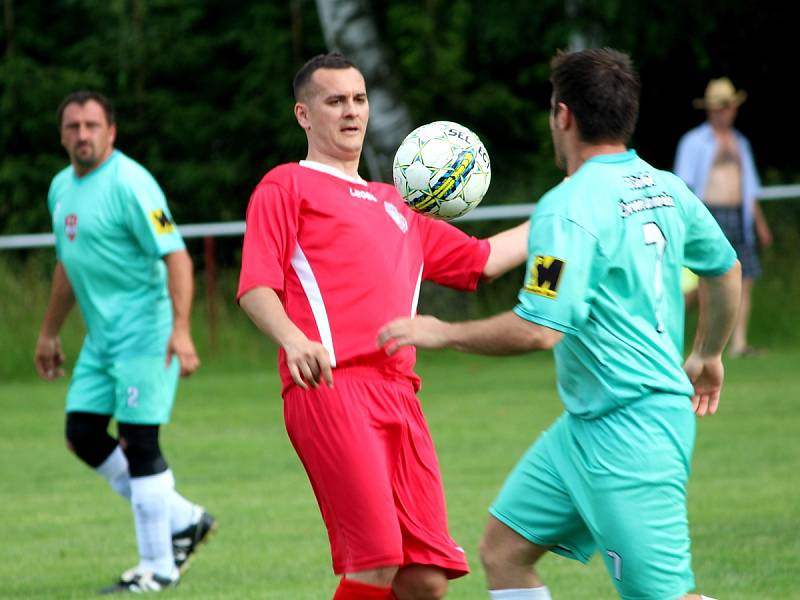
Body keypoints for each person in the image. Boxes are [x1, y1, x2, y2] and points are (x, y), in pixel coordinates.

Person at [378, 48, 741, 600]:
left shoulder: (566, 207)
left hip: (632, 431)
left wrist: (443, 333)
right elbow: (725, 267)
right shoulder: (663, 187)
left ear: (563, 115)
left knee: (665, 598)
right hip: (583, 428)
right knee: (503, 550)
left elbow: (540, 329)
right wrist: (709, 353)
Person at [236, 52, 528, 600]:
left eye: (360, 99)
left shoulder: (396, 204)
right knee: (377, 561)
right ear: (304, 114)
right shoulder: (286, 185)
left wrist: (558, 215)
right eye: (335, 101)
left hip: (400, 395)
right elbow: (256, 285)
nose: (351, 111)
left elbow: (484, 259)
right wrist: (293, 339)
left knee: (425, 578)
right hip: (331, 386)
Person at [35, 91, 216, 594]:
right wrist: (49, 332)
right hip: (101, 340)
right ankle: (184, 519)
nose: (83, 135)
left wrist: (180, 330)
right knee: (83, 433)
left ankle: (157, 568)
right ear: (63, 134)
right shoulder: (59, 189)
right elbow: (67, 267)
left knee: (140, 444)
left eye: (92, 125)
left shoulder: (131, 183)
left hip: (147, 333)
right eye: (73, 126)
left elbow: (177, 257)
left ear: (111, 131)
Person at [674, 77, 771, 357]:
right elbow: (683, 185)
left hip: (738, 216)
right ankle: (680, 339)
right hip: (708, 214)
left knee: (745, 279)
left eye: (728, 106)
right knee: (695, 284)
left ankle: (737, 344)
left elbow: (749, 187)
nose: (724, 111)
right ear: (709, 110)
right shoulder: (693, 141)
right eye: (719, 106)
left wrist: (759, 223)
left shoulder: (741, 143)